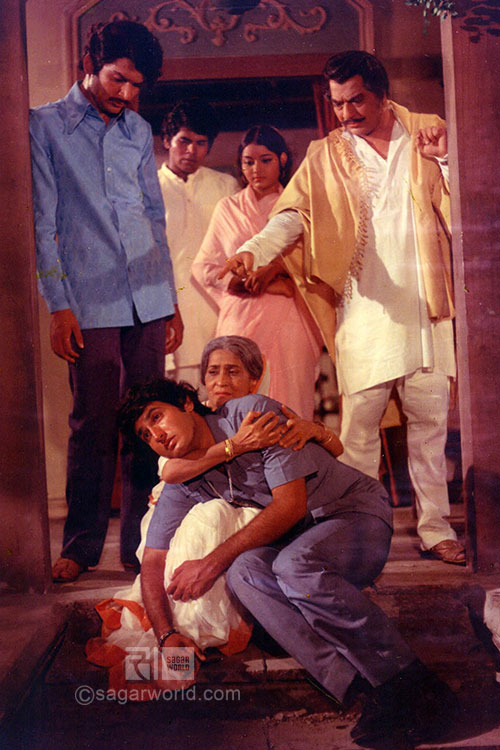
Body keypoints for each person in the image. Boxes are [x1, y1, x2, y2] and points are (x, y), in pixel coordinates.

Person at [221, 51, 464, 565]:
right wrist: (253, 251)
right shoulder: (326, 154)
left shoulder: (429, 131)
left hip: (427, 306)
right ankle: (355, 535)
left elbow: (468, 200)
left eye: (356, 101)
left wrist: (444, 159)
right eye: (337, 104)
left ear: (382, 95)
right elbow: (292, 216)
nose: (346, 113)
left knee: (429, 428)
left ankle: (435, 529)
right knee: (357, 435)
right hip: (365, 311)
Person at [118, 379, 459, 745]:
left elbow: (291, 506)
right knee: (244, 573)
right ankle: (363, 689)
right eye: (146, 434)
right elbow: (152, 561)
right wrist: (166, 635)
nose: (157, 435)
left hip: (354, 515)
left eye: (157, 417)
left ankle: (415, 682)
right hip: (300, 545)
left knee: (292, 565)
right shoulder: (184, 478)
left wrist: (210, 562)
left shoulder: (252, 416)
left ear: (187, 403)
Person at [87, 336, 342, 694]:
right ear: (201, 384)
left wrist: (314, 429)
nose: (222, 382)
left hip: (256, 528)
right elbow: (172, 472)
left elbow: (327, 458)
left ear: (255, 379)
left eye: (233, 372)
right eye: (213, 373)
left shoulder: (257, 413)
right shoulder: (192, 431)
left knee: (216, 522)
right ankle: (173, 649)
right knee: (207, 519)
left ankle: (183, 649)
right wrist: (236, 445)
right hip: (196, 528)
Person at [30, 20, 183, 581]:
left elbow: (153, 218)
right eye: (118, 79)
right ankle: (80, 546)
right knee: (92, 422)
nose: (126, 93)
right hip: (87, 300)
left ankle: (142, 547)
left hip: (149, 296)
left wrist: (169, 298)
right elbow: (42, 224)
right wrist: (58, 305)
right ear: (88, 66)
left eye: (137, 85)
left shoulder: (137, 130)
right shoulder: (43, 126)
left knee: (151, 421)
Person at [192, 125, 323, 420]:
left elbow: (315, 261)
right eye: (248, 162)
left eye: (266, 160)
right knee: (236, 399)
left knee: (289, 399)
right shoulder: (228, 208)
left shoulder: (300, 207)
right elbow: (204, 266)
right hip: (241, 315)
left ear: (283, 160)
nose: (256, 169)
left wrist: (276, 274)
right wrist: (240, 283)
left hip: (291, 315)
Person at [158, 101, 239, 386]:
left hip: (219, 314)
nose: (192, 150)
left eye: (201, 143)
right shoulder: (150, 188)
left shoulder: (226, 187)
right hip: (170, 314)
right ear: (167, 140)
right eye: (184, 141)